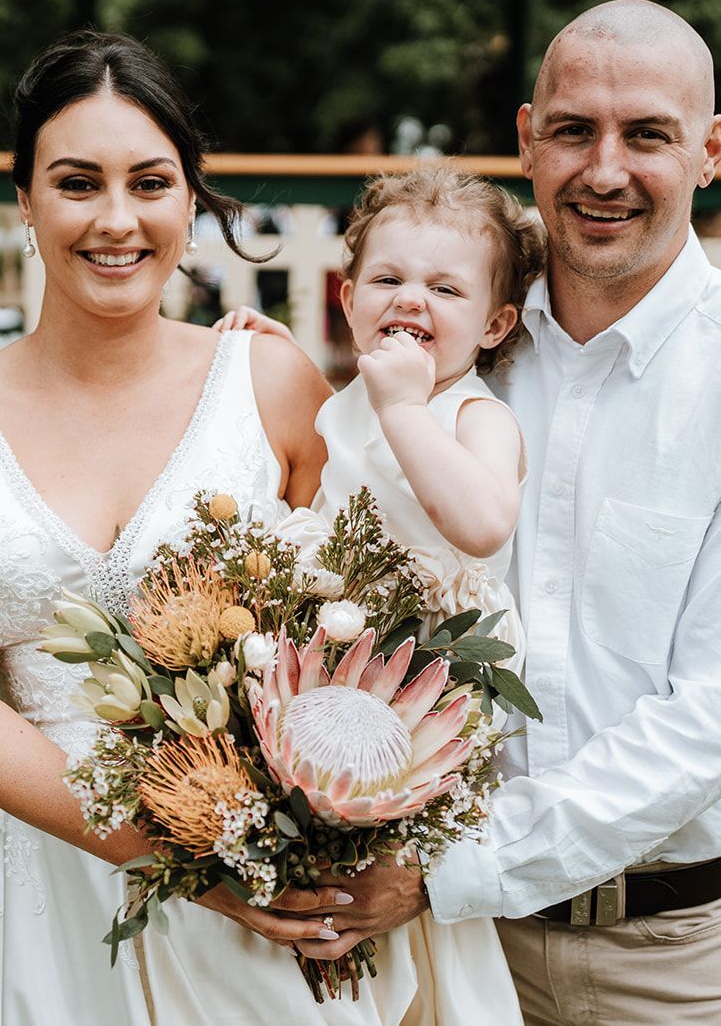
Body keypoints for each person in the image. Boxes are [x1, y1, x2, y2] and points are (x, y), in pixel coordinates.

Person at [0, 31, 472, 1025]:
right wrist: (189, 860)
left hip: (268, 916)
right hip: (60, 882)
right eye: (76, 183)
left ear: (189, 200)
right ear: (24, 202)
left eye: (150, 182)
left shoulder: (269, 384)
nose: (117, 219)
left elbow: (365, 625)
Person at [290, 0, 721, 1025]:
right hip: (445, 951)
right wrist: (241, 350)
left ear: (708, 149)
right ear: (526, 139)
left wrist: (445, 866)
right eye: (571, 130)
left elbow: (713, 718)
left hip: (668, 953)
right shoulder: (463, 337)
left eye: (646, 133)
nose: (604, 169)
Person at [228, 161, 549, 1024]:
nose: (412, 300)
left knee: (410, 920)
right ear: (347, 298)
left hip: (437, 696)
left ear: (494, 323)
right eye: (388, 279)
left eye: (445, 288)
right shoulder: (354, 401)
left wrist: (408, 409)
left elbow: (482, 522)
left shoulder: (474, 414)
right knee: (330, 879)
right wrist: (269, 352)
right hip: (336, 680)